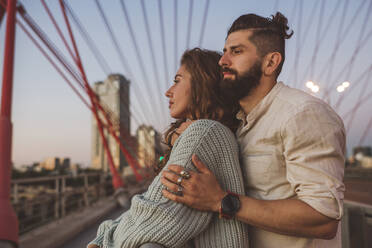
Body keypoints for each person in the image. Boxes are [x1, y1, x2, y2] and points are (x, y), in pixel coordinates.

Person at [162, 12, 346, 248]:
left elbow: (324, 218)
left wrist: (222, 201)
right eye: (225, 51)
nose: (223, 61)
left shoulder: (302, 114)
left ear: (270, 62)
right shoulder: (240, 124)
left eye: (236, 52)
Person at [87, 48, 249, 248]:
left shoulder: (205, 132)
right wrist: (105, 235)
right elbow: (149, 206)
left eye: (177, 80)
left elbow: (157, 216)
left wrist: (104, 240)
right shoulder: (210, 133)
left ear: (202, 83)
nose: (168, 91)